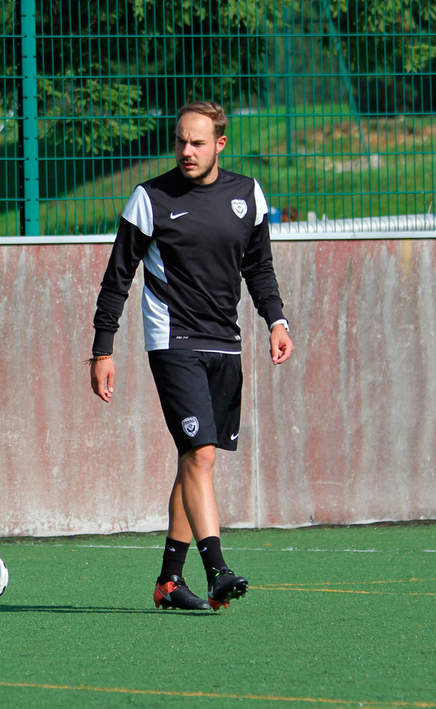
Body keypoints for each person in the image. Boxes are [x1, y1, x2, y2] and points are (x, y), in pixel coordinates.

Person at [89, 101, 294, 611]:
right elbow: (117, 278)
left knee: (195, 461)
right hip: (172, 340)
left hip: (225, 341)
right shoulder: (150, 197)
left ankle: (168, 582)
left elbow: (259, 268)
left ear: (219, 144)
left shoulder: (247, 194)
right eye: (180, 140)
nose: (186, 150)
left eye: (197, 142)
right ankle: (218, 569)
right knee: (199, 454)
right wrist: (102, 349)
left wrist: (277, 320)